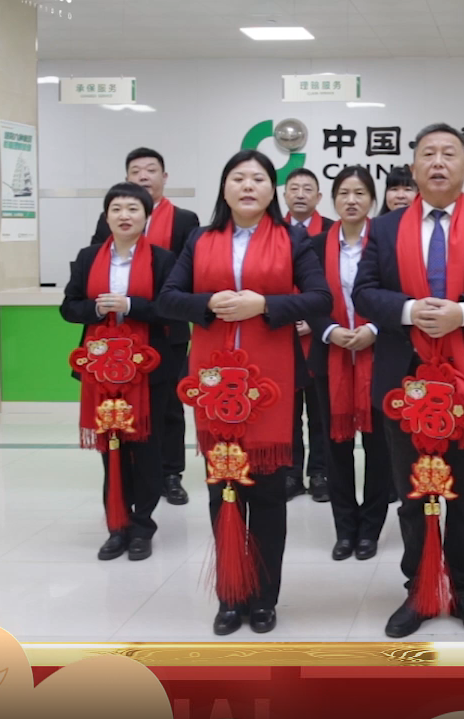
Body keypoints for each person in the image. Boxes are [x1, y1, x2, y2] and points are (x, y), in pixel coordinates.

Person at [354, 124, 464, 639]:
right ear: (413, 167)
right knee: (414, 493)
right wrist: (410, 310)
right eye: (427, 154)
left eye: (449, 153)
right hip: (405, 382)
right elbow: (364, 292)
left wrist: (463, 313)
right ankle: (419, 588)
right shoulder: (385, 229)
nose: (437, 162)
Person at [156, 150, 330, 636]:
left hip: (270, 385)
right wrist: (207, 303)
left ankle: (265, 598)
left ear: (273, 189)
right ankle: (230, 595)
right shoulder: (200, 238)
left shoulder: (293, 240)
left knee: (269, 493)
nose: (248, 185)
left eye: (258, 178)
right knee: (223, 490)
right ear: (225, 188)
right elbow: (168, 298)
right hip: (215, 382)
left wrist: (265, 304)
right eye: (238, 178)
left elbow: (320, 298)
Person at [60, 183, 185, 563]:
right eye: (117, 209)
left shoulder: (163, 259)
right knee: (111, 447)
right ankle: (117, 526)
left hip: (148, 370)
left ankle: (142, 526)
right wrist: (96, 310)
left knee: (145, 447)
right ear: (106, 216)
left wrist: (131, 305)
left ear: (147, 216)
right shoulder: (88, 258)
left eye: (133, 209)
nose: (124, 216)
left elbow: (172, 309)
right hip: (101, 370)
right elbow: (69, 307)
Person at [90, 147, 200, 507]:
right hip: (115, 337)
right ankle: (127, 474)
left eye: (150, 170)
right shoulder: (109, 218)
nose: (143, 176)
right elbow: (95, 265)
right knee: (119, 407)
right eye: (135, 170)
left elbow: (191, 272)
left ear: (164, 177)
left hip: (166, 331)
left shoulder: (184, 219)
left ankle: (170, 474)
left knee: (168, 406)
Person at [307, 166, 392, 562]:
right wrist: (329, 331)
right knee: (335, 447)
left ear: (372, 200)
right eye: (344, 193)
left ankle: (370, 529)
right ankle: (345, 529)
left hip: (380, 356)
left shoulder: (387, 242)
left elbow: (399, 293)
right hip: (332, 355)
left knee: (379, 448)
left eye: (360, 193)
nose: (352, 200)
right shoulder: (315, 245)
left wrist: (375, 328)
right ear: (333, 199)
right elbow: (309, 296)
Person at [283, 166, 330, 504]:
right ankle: (289, 472)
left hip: (320, 334)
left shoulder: (331, 231)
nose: (300, 194)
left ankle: (320, 472)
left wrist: (316, 320)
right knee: (285, 410)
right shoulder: (271, 230)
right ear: (284, 195)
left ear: (319, 196)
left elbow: (339, 284)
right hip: (280, 334)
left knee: (320, 409)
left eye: (307, 189)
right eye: (294, 188)